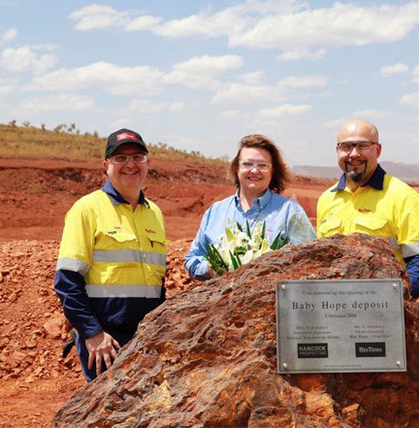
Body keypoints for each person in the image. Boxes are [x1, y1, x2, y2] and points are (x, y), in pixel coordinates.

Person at [54, 128, 167, 381]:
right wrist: (92, 333)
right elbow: (67, 281)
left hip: (149, 338)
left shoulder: (155, 213)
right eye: (120, 158)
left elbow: (158, 282)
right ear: (107, 165)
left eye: (137, 157)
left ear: (147, 163)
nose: (130, 164)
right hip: (107, 342)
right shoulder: (87, 209)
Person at [316, 119, 419, 299]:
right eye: (346, 146)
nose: (354, 154)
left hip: (382, 316)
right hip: (335, 311)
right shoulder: (327, 199)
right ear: (337, 150)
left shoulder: (403, 196)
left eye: (362, 145)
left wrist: (397, 299)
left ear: (378, 150)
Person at [185, 134, 316, 280]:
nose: (254, 171)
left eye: (262, 165)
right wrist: (209, 268)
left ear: (272, 172)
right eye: (247, 164)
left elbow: (310, 261)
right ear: (236, 168)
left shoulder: (290, 213)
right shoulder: (215, 211)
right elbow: (192, 258)